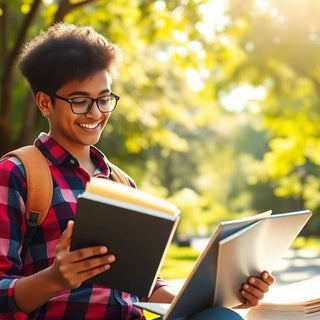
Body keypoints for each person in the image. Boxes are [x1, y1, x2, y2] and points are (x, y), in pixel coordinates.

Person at [0, 22, 274, 319]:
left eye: (104, 99)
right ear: (45, 102)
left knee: (221, 317)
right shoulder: (17, 174)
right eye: (80, 101)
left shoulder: (120, 182)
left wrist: (223, 295)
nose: (96, 112)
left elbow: (145, 284)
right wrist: (55, 278)